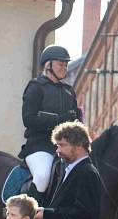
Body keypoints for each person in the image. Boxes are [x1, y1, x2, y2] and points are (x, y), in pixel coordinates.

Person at [19, 44, 81, 205]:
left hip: (66, 146)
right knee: (42, 176)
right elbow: (28, 119)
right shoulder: (36, 87)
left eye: (66, 65)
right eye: (60, 64)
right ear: (48, 65)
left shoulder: (68, 91)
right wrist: (59, 119)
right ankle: (28, 218)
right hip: (40, 145)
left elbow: (76, 118)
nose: (64, 68)